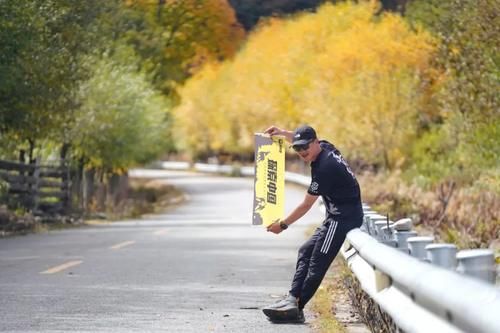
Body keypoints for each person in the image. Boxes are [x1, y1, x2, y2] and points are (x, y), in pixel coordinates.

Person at [262, 124, 363, 323]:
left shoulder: (325, 168)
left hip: (343, 218)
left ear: (315, 142)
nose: (301, 152)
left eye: (305, 147)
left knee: (317, 262)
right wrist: (283, 133)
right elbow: (300, 139)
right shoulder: (325, 147)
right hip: (334, 216)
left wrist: (282, 225)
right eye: (297, 148)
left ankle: (296, 308)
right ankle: (292, 299)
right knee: (305, 251)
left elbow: (306, 205)